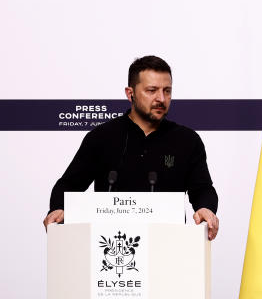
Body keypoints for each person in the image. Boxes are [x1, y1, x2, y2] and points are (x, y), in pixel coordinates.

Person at [43, 56, 220, 240]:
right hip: (110, 248)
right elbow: (69, 184)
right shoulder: (102, 137)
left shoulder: (187, 140)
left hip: (169, 248)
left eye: (167, 91)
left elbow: (203, 188)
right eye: (152, 90)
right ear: (130, 93)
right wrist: (58, 208)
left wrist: (206, 208)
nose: (161, 98)